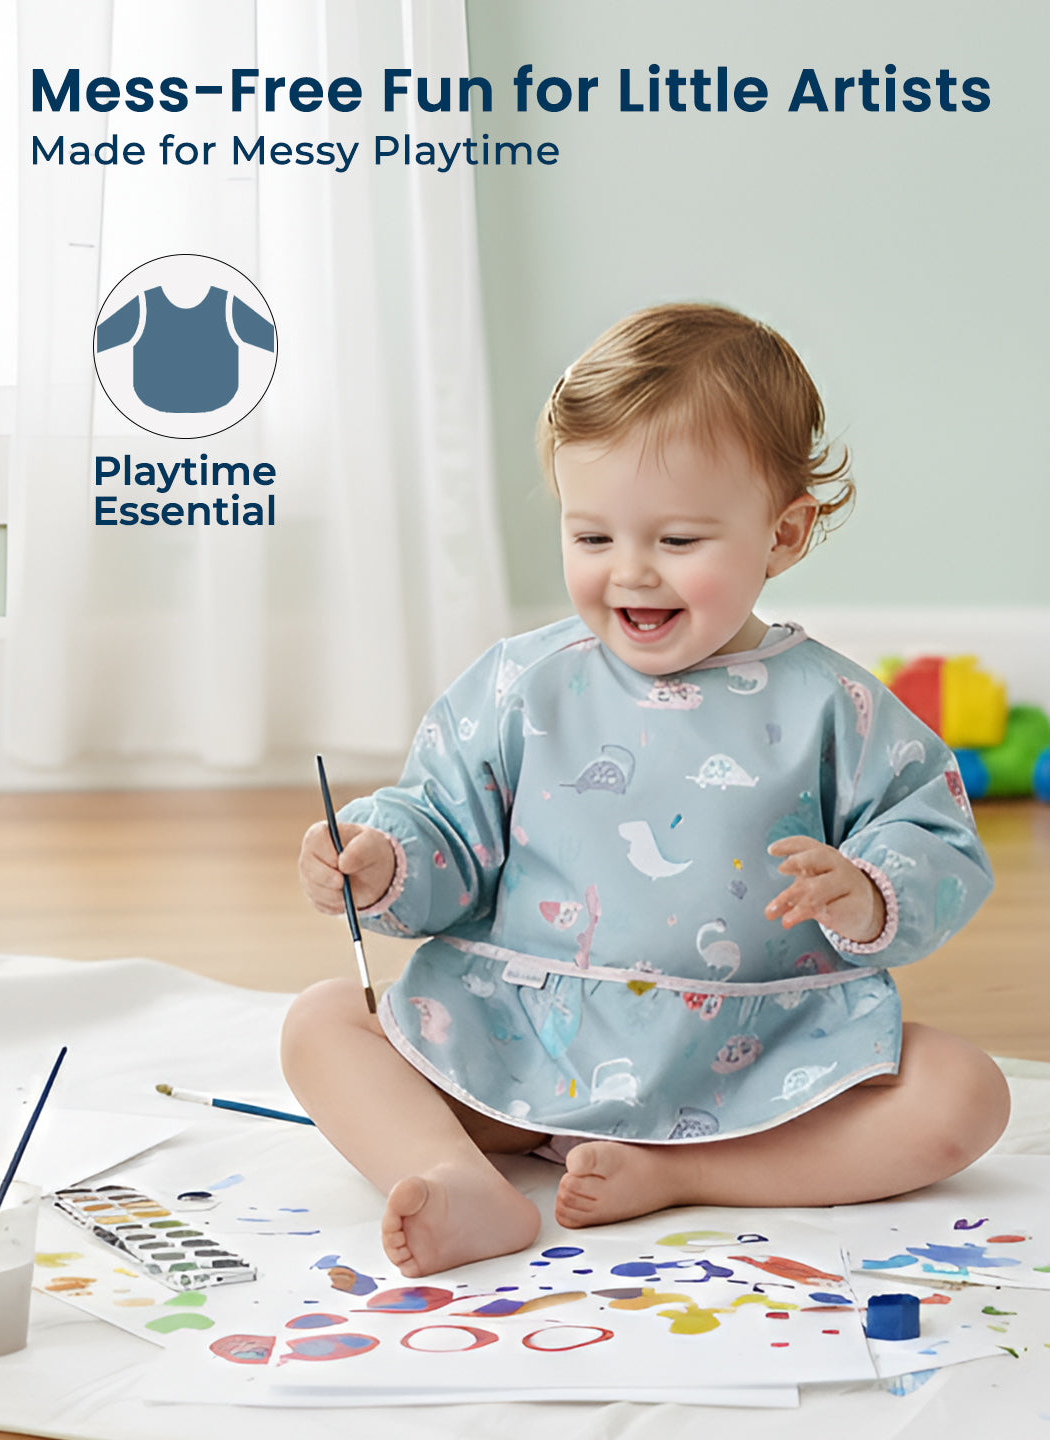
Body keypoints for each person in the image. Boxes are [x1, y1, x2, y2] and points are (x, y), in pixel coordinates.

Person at [281, 303, 1010, 1279]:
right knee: (322, 1022)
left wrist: (870, 891)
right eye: (592, 537)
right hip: (519, 1039)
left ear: (784, 533)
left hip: (754, 1060)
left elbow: (936, 836)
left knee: (965, 1093)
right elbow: (445, 822)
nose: (630, 573)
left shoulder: (835, 706)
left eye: (677, 540)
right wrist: (384, 859)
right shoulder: (520, 684)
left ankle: (683, 1171)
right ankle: (450, 1174)